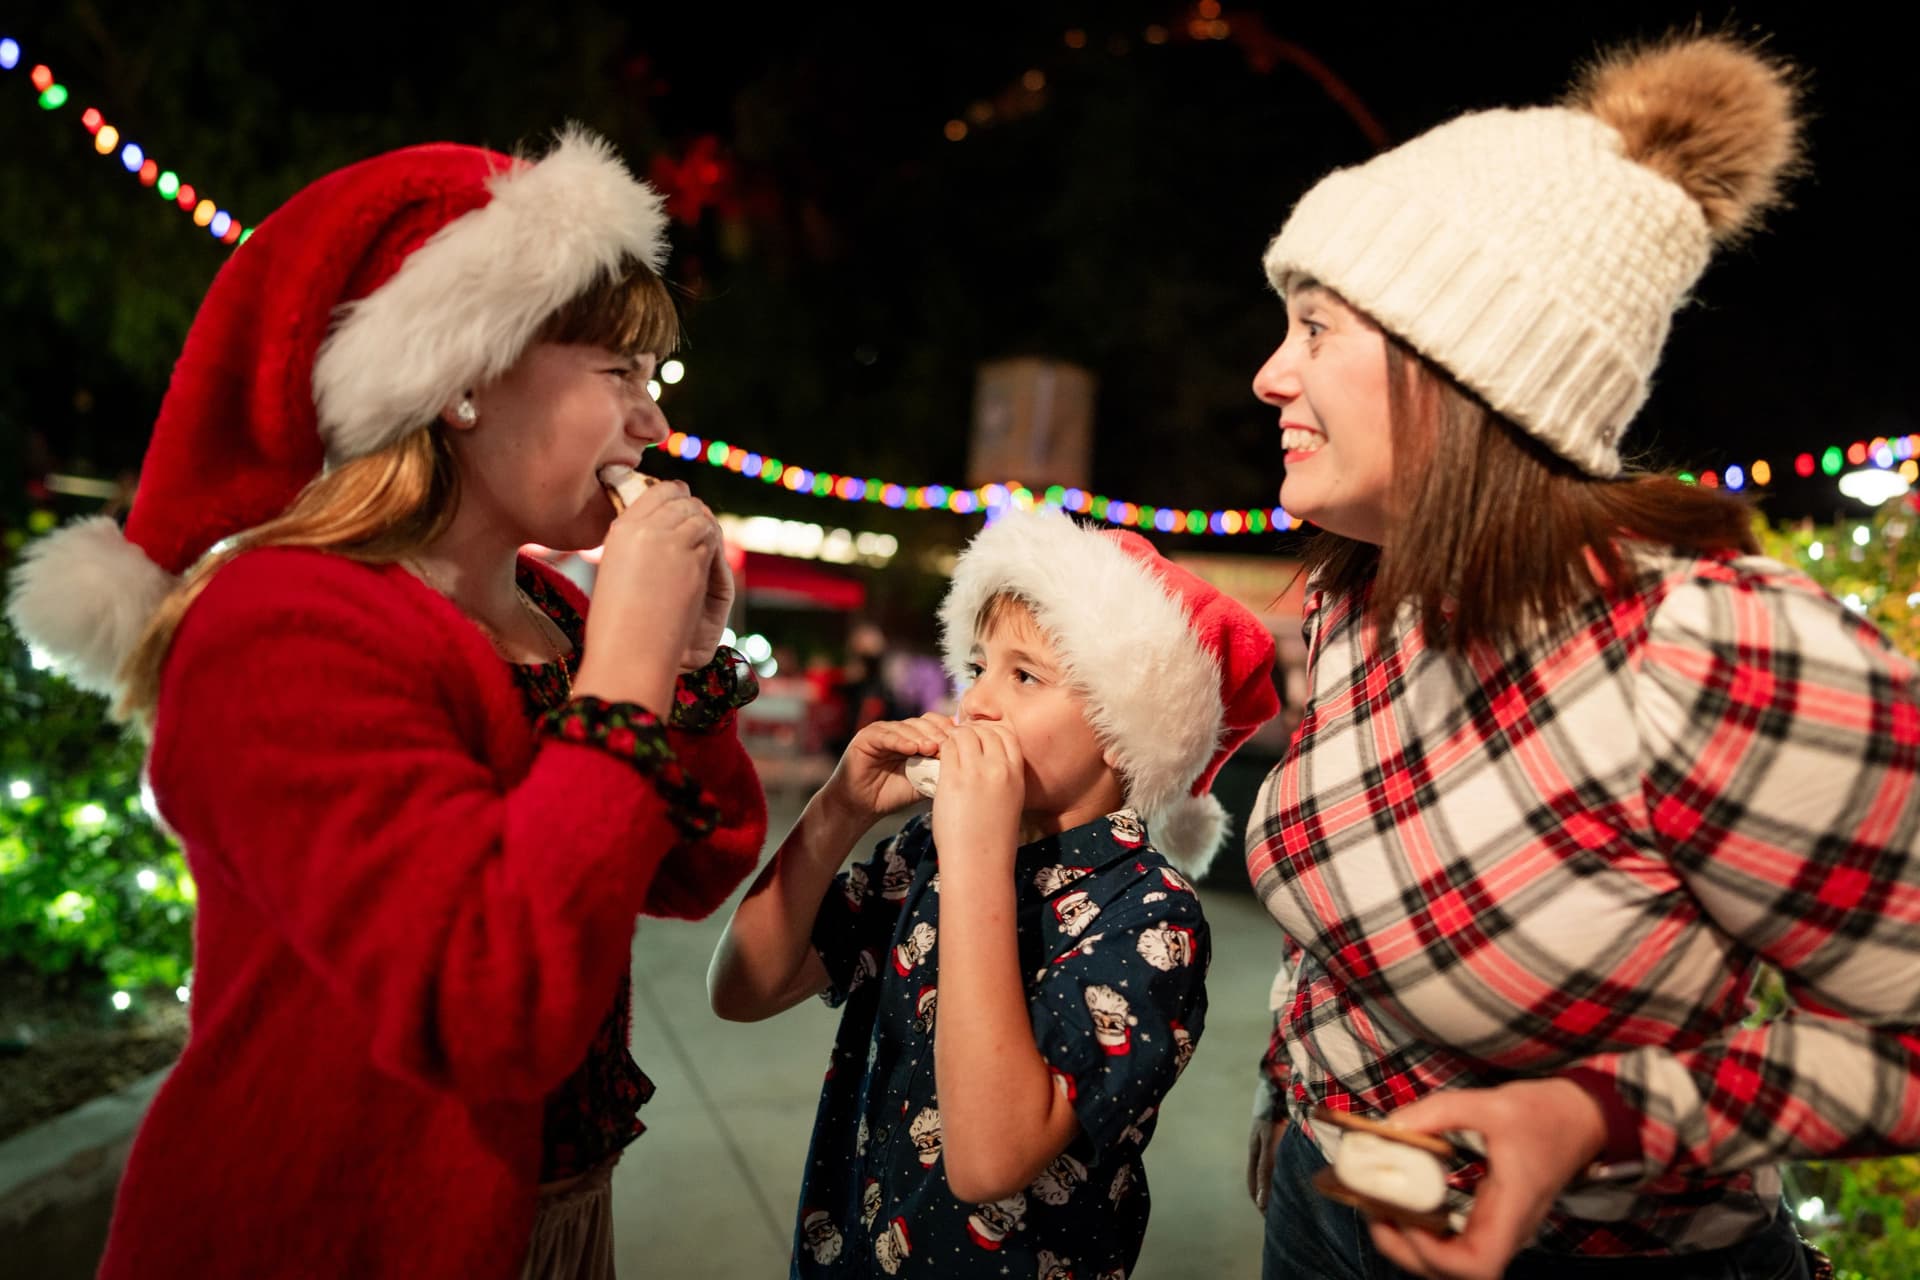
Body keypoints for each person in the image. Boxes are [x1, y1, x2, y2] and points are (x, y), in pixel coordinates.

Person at [6, 127, 768, 1278]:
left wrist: (686, 666)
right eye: (619, 374)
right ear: (464, 374)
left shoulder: (555, 611)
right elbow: (490, 1000)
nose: (653, 426)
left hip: (552, 1220)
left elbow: (685, 870)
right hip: (335, 1228)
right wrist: (624, 677)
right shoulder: (277, 625)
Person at [1238, 32, 1919, 1280]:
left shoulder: (1707, 651)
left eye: (1316, 325)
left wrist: (1593, 1117)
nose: (1269, 371)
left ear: (1469, 361)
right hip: (1320, 1201)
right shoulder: (1369, 594)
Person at [708, 506, 1279, 1276]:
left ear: (1124, 729)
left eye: (1024, 675)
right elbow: (743, 988)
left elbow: (988, 1161)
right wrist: (837, 811)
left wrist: (974, 851)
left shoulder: (1150, 918)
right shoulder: (928, 851)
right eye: (978, 668)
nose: (975, 701)